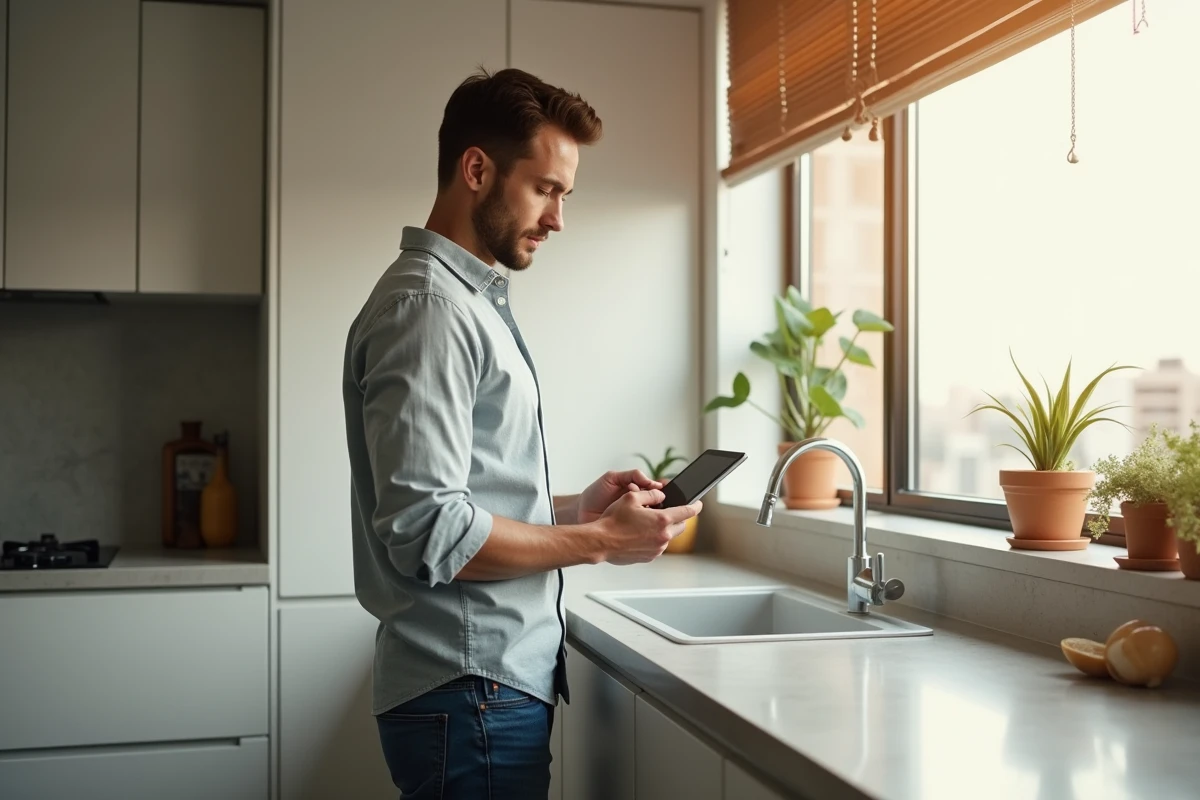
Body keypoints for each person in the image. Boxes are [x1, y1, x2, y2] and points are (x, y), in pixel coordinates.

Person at [342, 67, 702, 799]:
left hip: (477, 689)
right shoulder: (430, 311)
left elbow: (463, 496)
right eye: (546, 189)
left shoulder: (460, 303)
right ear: (477, 169)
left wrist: (577, 511)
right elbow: (429, 532)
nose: (559, 217)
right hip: (469, 687)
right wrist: (603, 543)